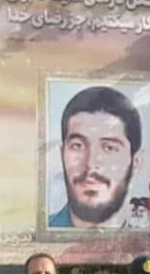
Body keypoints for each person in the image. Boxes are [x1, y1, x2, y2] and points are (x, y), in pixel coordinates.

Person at [49, 86, 145, 230]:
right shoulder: (35, 234)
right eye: (77, 146)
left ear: (136, 161)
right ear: (62, 154)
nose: (90, 164)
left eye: (109, 148)